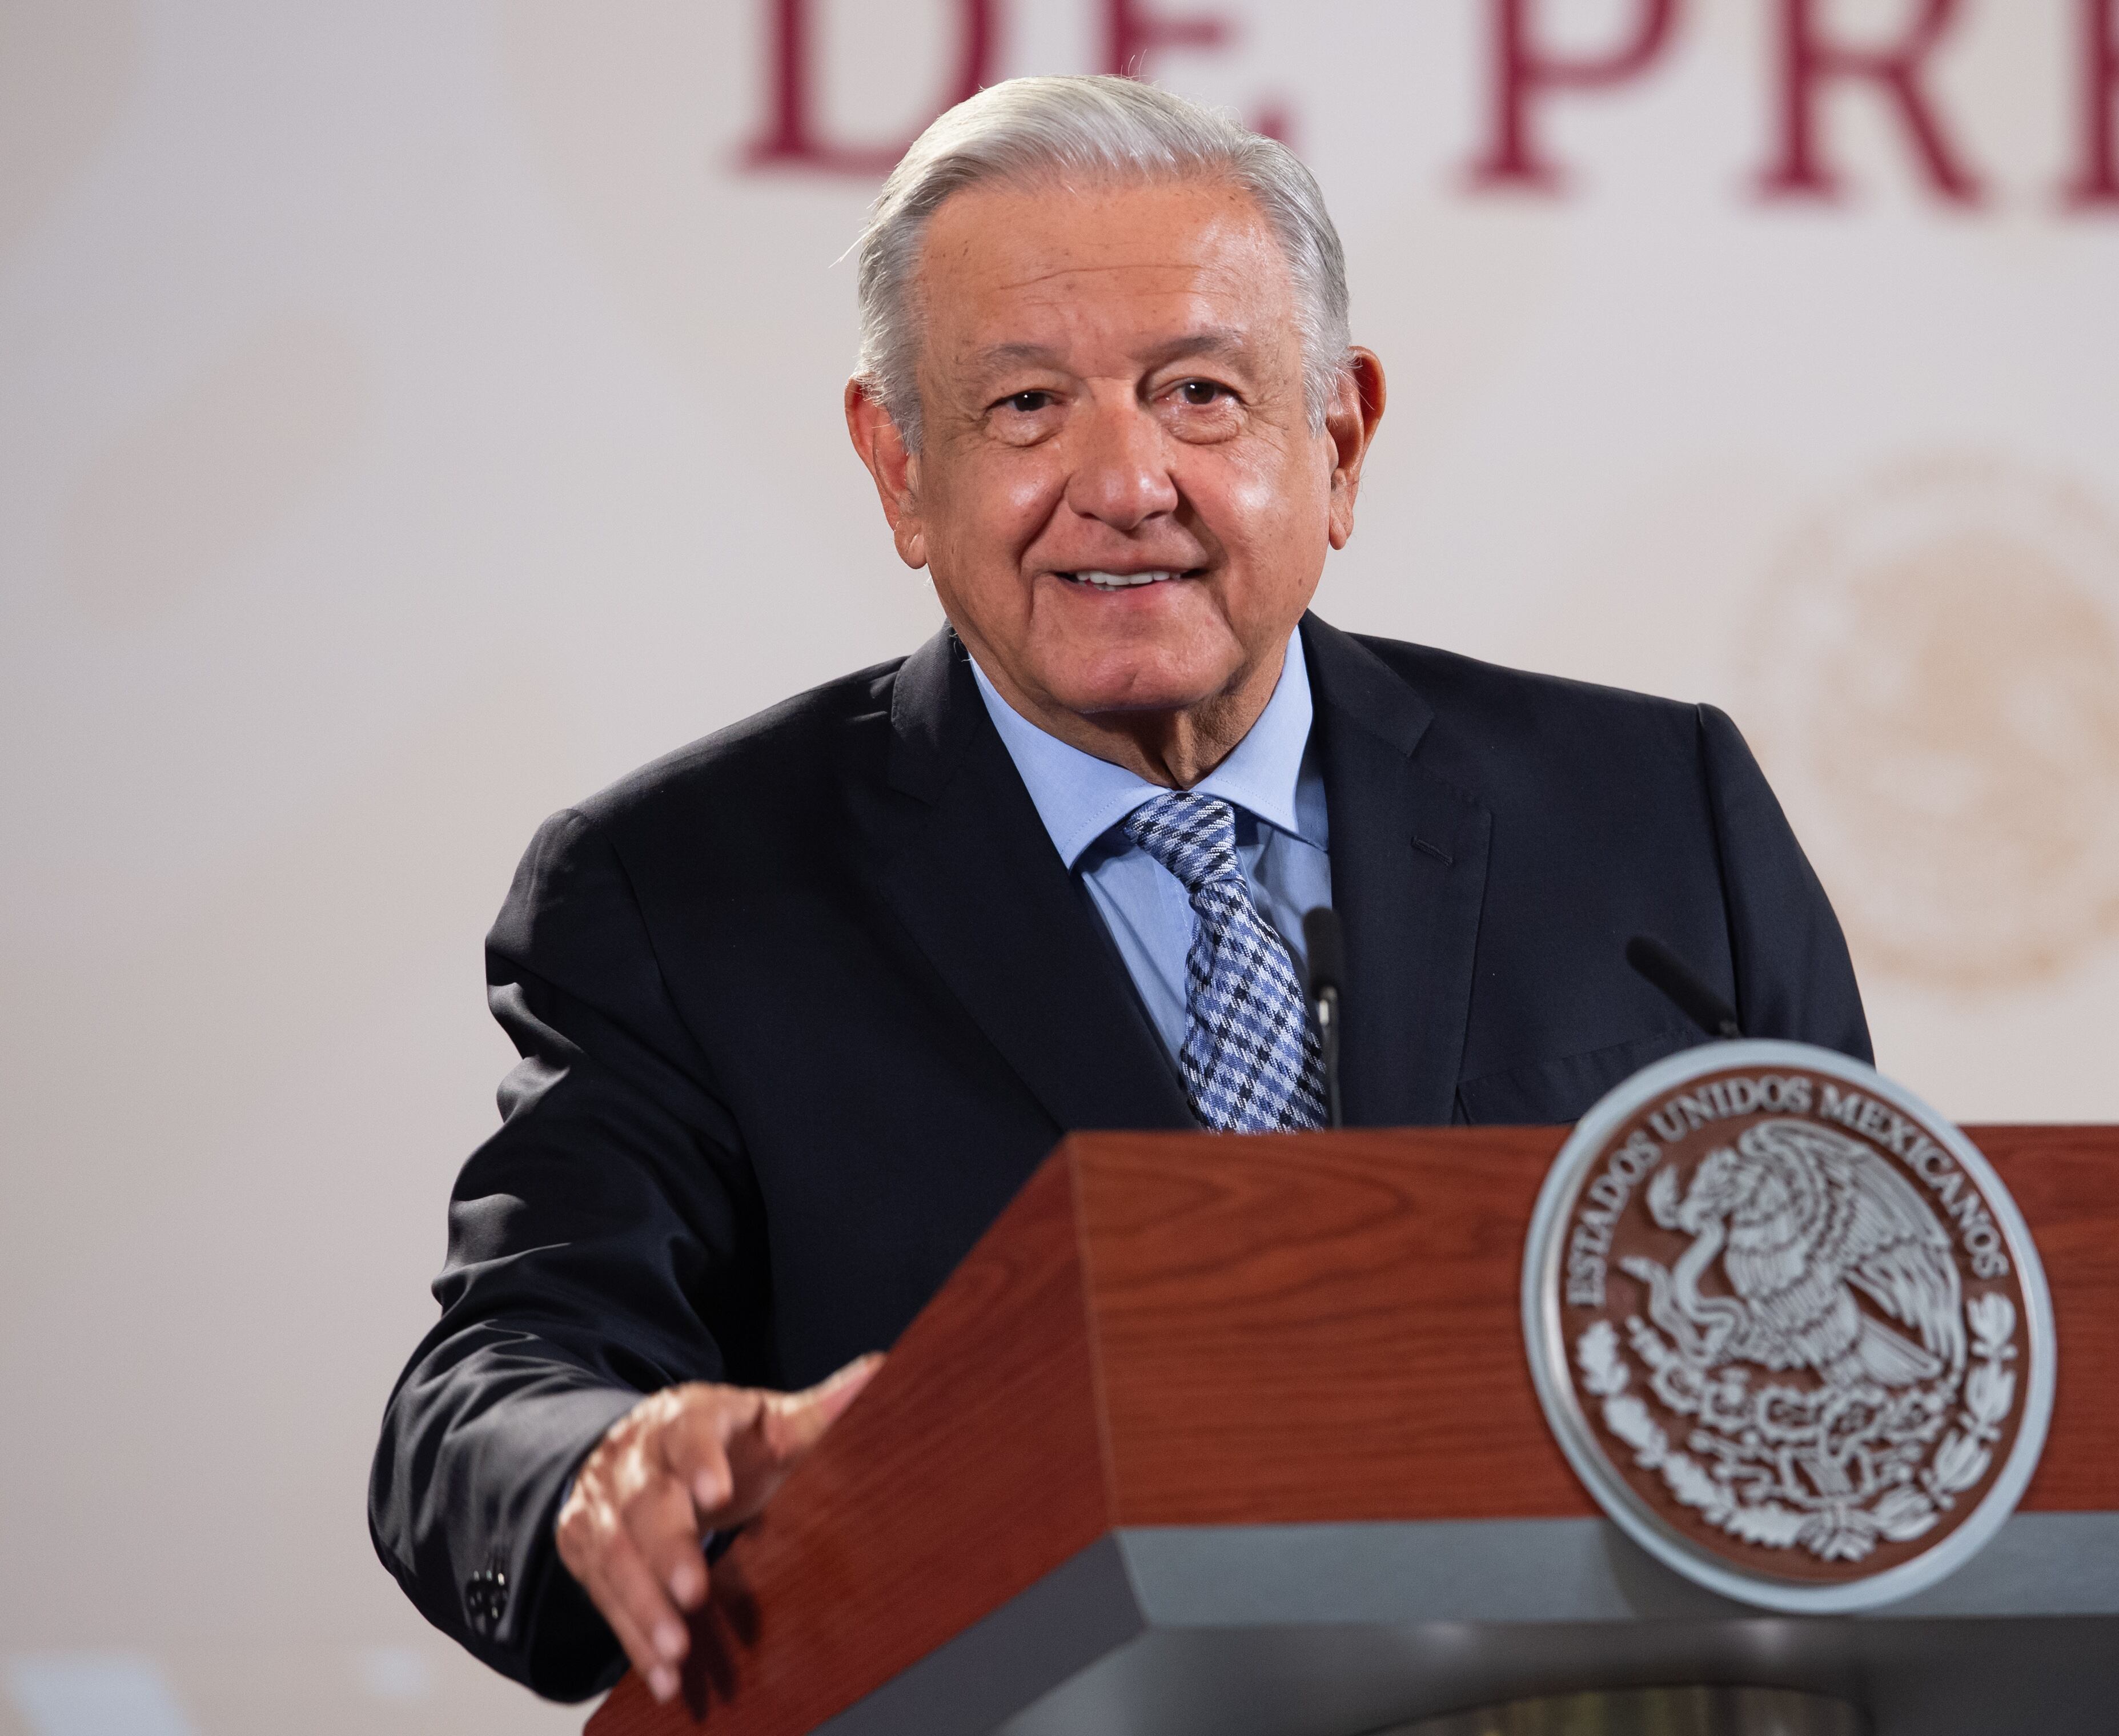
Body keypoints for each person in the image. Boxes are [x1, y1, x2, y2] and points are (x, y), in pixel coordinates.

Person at [368, 74, 1871, 1705]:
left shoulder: (1658, 813)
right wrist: (598, 1462)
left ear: (1339, 440)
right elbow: (492, 1387)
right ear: (899, 466)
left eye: (1199, 394)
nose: (1125, 481)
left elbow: (1890, 1345)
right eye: (1026, 407)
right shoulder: (681, 895)